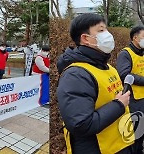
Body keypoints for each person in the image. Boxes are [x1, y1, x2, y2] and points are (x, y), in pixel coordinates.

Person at [57, 13, 134, 154]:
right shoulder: (76, 75)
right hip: (97, 149)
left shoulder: (108, 67)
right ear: (86, 39)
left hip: (120, 144)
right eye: (101, 30)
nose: (108, 35)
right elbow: (81, 124)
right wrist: (119, 105)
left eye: (106, 30)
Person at [116, 26, 144, 154]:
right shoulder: (125, 54)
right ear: (135, 37)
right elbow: (124, 74)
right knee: (135, 133)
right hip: (134, 101)